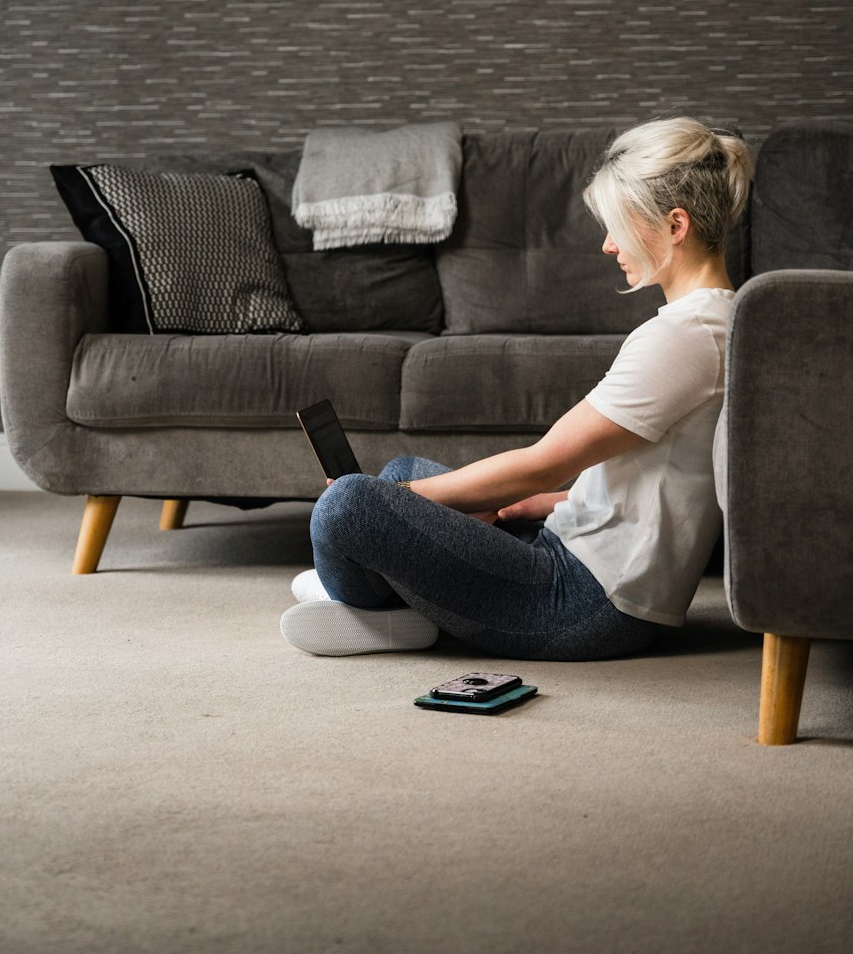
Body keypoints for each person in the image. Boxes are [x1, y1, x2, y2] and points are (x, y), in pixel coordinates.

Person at [279, 117, 753, 660]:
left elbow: (543, 461)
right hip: (570, 551)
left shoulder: (684, 335)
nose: (606, 245)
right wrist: (533, 505)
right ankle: (397, 607)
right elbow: (666, 483)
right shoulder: (716, 321)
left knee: (348, 506)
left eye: (619, 225)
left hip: (584, 602)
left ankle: (373, 612)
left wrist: (401, 504)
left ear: (675, 226)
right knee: (403, 471)